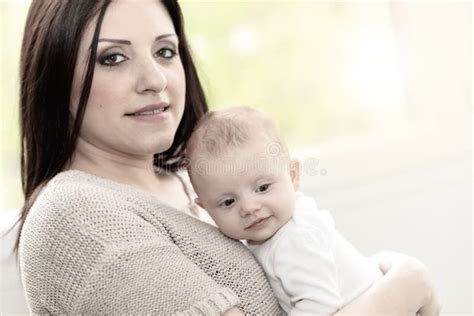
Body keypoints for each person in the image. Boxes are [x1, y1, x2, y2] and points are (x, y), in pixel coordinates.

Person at [15, 0, 440, 314]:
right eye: (113, 58)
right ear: (55, 78)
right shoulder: (79, 218)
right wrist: (408, 284)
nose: (155, 79)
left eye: (165, 51)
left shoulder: (187, 185)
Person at [186, 106, 385, 315]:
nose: (249, 207)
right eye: (228, 202)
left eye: (262, 188)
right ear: (205, 209)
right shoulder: (280, 228)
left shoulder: (294, 238)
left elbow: (321, 303)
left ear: (293, 176)